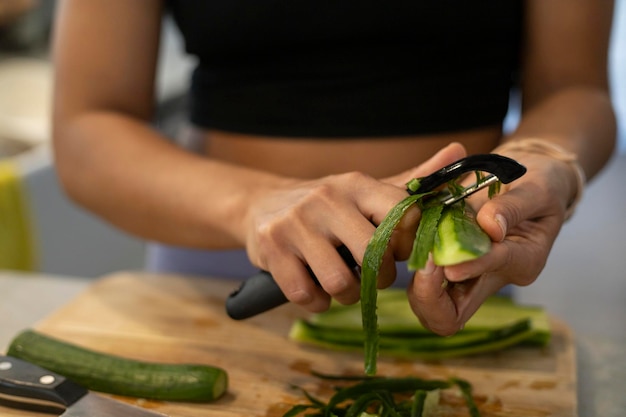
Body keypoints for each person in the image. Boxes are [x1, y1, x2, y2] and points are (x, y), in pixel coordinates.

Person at [50, 0, 616, 336]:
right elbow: (85, 129)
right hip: (220, 268)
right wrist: (250, 204)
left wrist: (552, 161)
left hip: (458, 269)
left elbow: (576, 88)